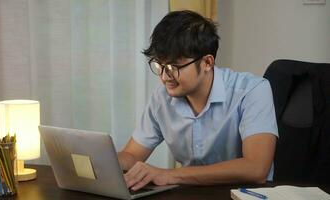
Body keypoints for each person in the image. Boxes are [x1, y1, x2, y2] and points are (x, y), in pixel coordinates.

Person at [118, 10, 278, 191]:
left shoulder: (252, 90)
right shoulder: (161, 97)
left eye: (172, 67)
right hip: (191, 193)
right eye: (159, 65)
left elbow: (256, 168)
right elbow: (132, 155)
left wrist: (167, 174)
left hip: (244, 194)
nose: (164, 77)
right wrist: (100, 162)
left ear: (207, 63)